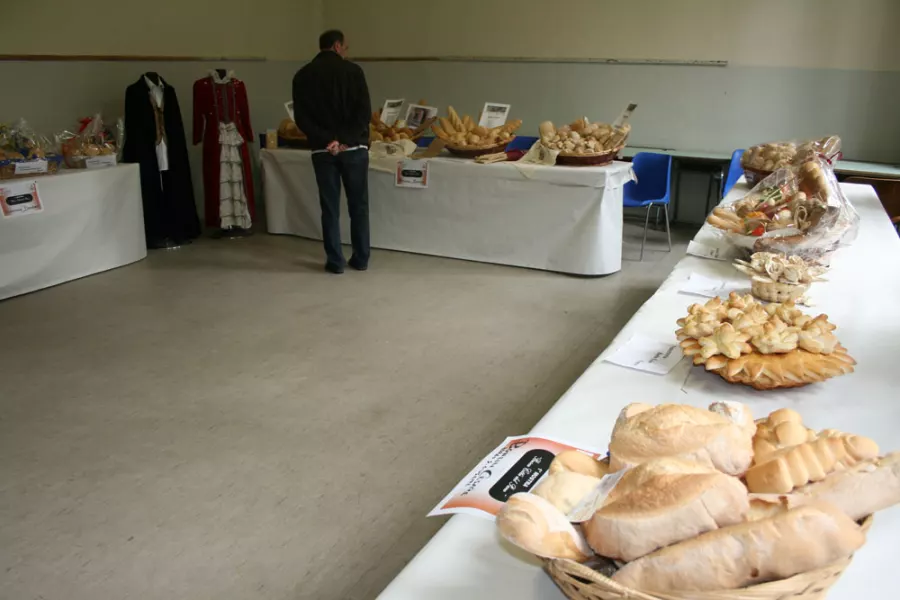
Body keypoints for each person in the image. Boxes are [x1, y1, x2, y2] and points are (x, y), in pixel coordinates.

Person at [292, 30, 372, 274]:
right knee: (358, 206)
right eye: (346, 47)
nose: (346, 51)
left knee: (329, 207)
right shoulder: (354, 72)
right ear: (337, 46)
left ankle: (335, 261)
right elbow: (363, 113)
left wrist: (328, 141)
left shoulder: (302, 76)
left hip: (321, 150)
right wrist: (344, 140)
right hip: (354, 149)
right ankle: (360, 258)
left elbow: (302, 119)